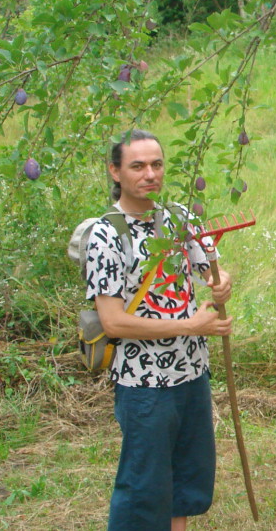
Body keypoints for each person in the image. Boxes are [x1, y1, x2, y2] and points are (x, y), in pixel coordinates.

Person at [86, 129, 233, 531]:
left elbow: (212, 269)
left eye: (156, 164)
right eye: (137, 166)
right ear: (115, 171)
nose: (150, 174)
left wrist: (221, 283)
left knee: (184, 480)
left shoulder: (179, 217)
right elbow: (113, 320)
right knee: (144, 487)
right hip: (144, 384)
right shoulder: (105, 235)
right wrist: (192, 324)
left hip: (191, 373)